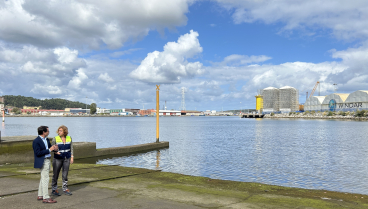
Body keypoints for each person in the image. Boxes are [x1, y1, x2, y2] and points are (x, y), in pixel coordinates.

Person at [33, 126, 58, 203]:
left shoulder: (46, 139)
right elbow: (37, 153)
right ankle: (46, 197)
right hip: (43, 161)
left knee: (43, 178)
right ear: (44, 132)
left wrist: (54, 148)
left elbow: (49, 148)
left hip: (47, 160)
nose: (49, 132)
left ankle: (40, 195)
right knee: (45, 179)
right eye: (48, 131)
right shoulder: (36, 141)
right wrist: (49, 150)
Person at [51, 125, 74, 196]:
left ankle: (65, 189)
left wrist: (72, 157)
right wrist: (55, 152)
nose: (59, 132)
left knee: (65, 174)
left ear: (64, 132)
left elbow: (71, 148)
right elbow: (52, 148)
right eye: (58, 130)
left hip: (66, 159)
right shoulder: (55, 138)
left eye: (61, 131)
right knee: (56, 174)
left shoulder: (69, 138)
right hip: (57, 159)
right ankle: (54, 189)